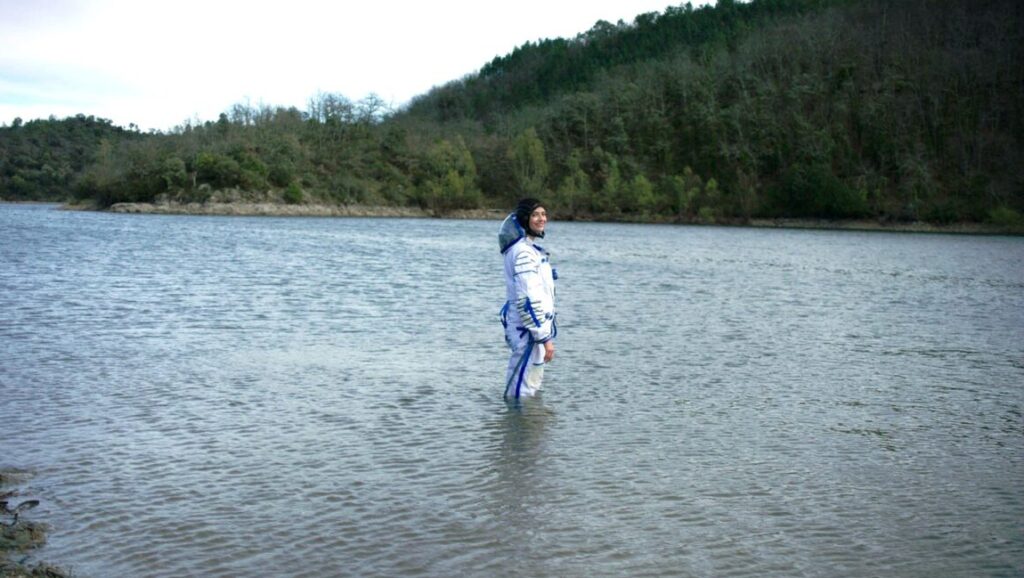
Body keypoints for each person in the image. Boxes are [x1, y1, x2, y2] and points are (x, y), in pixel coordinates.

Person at [498, 198, 557, 399]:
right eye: (535, 215)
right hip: (528, 332)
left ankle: (528, 427)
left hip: (532, 331)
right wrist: (544, 337)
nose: (542, 219)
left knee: (528, 389)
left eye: (543, 214)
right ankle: (517, 427)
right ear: (525, 219)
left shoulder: (529, 250)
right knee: (520, 392)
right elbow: (527, 301)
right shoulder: (523, 253)